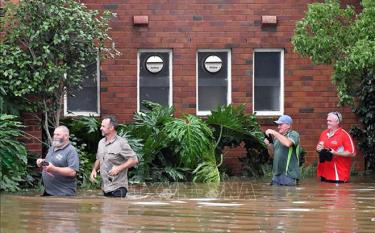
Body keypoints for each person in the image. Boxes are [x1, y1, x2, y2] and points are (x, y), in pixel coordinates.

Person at [90, 115, 138, 197]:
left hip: (119, 187)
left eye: (103, 126)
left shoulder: (121, 143)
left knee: (115, 209)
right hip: (105, 187)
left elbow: (134, 160)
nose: (100, 128)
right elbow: (99, 158)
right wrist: (94, 170)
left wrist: (119, 168)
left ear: (111, 128)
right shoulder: (101, 142)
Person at [36, 126, 79, 196]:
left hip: (63, 195)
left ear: (66, 136)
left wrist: (54, 169)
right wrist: (42, 162)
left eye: (58, 135)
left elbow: (72, 172)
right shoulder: (52, 148)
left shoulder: (71, 151)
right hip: (48, 193)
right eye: (54, 134)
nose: (55, 137)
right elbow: (52, 162)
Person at [316, 112, 356, 183]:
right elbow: (319, 147)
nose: (327, 122)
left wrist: (335, 153)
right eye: (327, 120)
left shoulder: (344, 135)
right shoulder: (324, 133)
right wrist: (318, 149)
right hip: (324, 173)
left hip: (338, 174)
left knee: (337, 192)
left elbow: (352, 153)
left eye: (330, 121)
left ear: (337, 122)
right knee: (323, 192)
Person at [264, 115, 301, 186]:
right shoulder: (276, 138)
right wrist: (269, 145)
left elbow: (287, 143)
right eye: (278, 125)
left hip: (289, 175)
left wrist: (275, 133)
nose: (278, 127)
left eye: (281, 124)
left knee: (288, 196)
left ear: (288, 125)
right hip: (276, 175)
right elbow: (272, 155)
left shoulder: (294, 134)